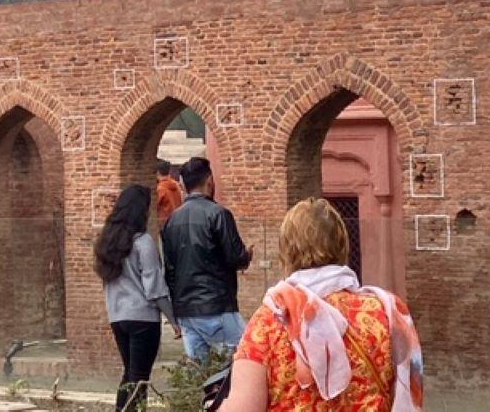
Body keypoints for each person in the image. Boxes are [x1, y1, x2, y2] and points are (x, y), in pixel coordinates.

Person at [221, 198, 423, 412]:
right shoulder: (386, 313)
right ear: (343, 245)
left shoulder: (270, 322)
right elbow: (407, 393)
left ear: (286, 251)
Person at [95, 184, 181, 411]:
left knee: (130, 374)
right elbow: (154, 288)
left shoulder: (108, 244)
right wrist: (173, 320)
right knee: (140, 378)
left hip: (118, 317)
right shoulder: (143, 243)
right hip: (143, 318)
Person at [162, 157, 253, 362]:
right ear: (210, 180)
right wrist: (246, 256)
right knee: (245, 360)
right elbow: (234, 257)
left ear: (184, 184)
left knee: (200, 375)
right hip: (217, 305)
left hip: (186, 310)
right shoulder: (219, 214)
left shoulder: (171, 221)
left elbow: (169, 270)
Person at [156, 159, 183, 227]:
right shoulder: (177, 185)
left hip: (166, 224)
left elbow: (154, 207)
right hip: (178, 221)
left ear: (158, 172)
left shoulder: (160, 189)